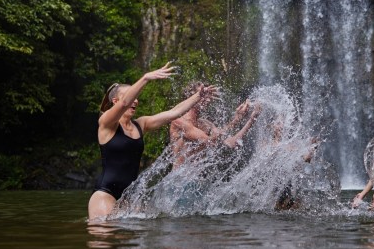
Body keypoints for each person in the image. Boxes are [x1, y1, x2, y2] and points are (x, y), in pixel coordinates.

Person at [88, 63, 217, 220]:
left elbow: (173, 113)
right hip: (105, 194)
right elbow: (124, 104)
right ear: (115, 101)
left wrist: (198, 96)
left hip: (130, 197)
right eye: (131, 97)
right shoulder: (106, 124)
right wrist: (145, 78)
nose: (134, 101)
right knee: (106, 241)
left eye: (136, 98)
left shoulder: (141, 124)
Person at [169, 81, 261, 170]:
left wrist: (251, 119)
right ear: (191, 97)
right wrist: (235, 121)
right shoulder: (179, 121)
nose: (208, 99)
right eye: (203, 94)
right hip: (180, 183)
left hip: (200, 180)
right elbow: (209, 141)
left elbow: (230, 142)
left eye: (208, 95)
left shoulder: (205, 123)